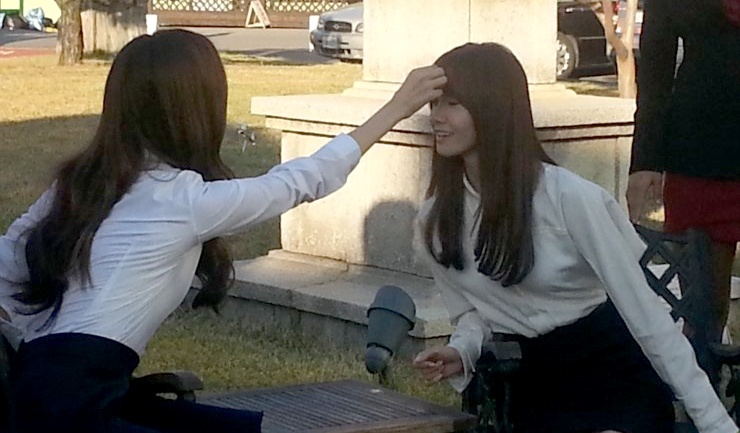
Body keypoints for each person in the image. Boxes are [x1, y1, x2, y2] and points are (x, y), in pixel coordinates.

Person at [0, 29, 446, 433]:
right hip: (75, 409)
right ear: (198, 108)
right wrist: (396, 107)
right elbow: (302, 180)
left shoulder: (80, 183)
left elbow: (6, 265)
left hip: (45, 394)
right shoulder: (180, 199)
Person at [411, 43, 738, 433]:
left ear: (493, 108)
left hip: (614, 378)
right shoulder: (435, 219)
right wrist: (462, 350)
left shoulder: (569, 198)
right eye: (434, 104)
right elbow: (473, 312)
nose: (437, 117)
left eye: (452, 104)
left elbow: (647, 318)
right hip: (534, 386)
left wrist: (715, 423)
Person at [626, 0, 740, 339]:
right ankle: (701, 370)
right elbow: (655, 73)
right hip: (700, 156)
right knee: (703, 310)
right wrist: (645, 161)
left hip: (700, 152)